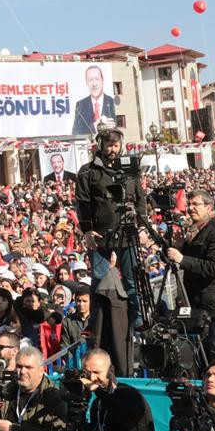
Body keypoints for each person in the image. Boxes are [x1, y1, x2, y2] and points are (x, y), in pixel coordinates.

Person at [74, 128, 148, 375]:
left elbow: (140, 198)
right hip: (101, 237)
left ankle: (138, 320)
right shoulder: (88, 172)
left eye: (116, 145)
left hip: (128, 235)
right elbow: (83, 203)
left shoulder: (129, 169)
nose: (113, 149)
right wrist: (86, 230)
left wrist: (142, 225)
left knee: (132, 279)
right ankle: (97, 325)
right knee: (100, 281)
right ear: (100, 145)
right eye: (109, 145)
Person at [166, 190, 215, 367]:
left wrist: (182, 259)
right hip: (197, 304)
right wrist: (179, 247)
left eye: (195, 204)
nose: (190, 208)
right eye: (189, 204)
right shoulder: (197, 230)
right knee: (201, 353)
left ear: (209, 207)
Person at [71, 65, 115, 134]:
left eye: (97, 79)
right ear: (86, 83)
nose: (94, 84)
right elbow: (75, 133)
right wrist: (95, 126)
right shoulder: (81, 105)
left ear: (102, 80)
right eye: (90, 80)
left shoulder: (112, 102)